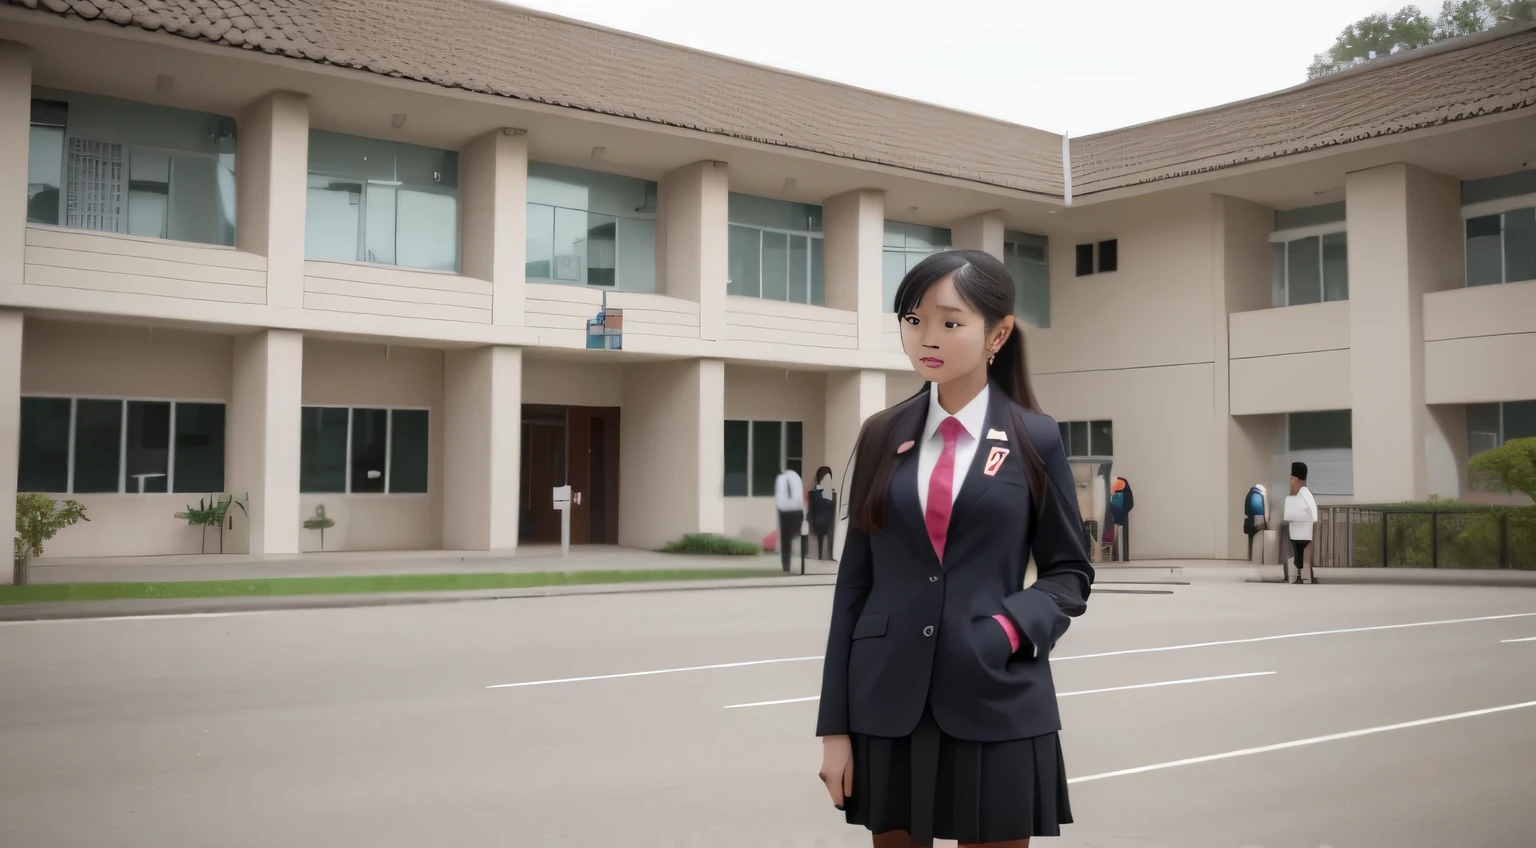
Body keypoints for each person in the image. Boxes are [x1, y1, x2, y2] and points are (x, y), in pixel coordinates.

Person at [816, 249, 1094, 847]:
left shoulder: (1033, 438)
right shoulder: (880, 434)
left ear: (998, 333)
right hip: (886, 704)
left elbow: (1069, 572)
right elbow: (853, 588)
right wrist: (834, 729)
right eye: (912, 320)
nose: (926, 338)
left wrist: (1010, 629)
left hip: (997, 695)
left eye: (949, 321)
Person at [1284, 462, 1318, 585]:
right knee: (1299, 555)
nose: (1291, 482)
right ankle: (1299, 575)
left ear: (1296, 479)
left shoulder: (1303, 494)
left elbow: (1311, 514)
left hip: (1301, 533)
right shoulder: (1301, 494)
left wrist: (1292, 515)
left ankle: (1301, 575)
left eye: (1292, 479)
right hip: (1299, 532)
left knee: (1300, 555)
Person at [774, 465, 805, 574]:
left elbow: (778, 496)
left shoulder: (781, 478)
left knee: (785, 539)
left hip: (786, 511)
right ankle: (787, 564)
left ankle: (786, 565)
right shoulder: (797, 477)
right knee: (791, 536)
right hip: (795, 510)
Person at [809, 466, 837, 560]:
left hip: (818, 522)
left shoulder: (814, 493)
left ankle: (821, 555)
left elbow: (811, 510)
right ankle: (826, 555)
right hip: (826, 523)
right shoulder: (829, 493)